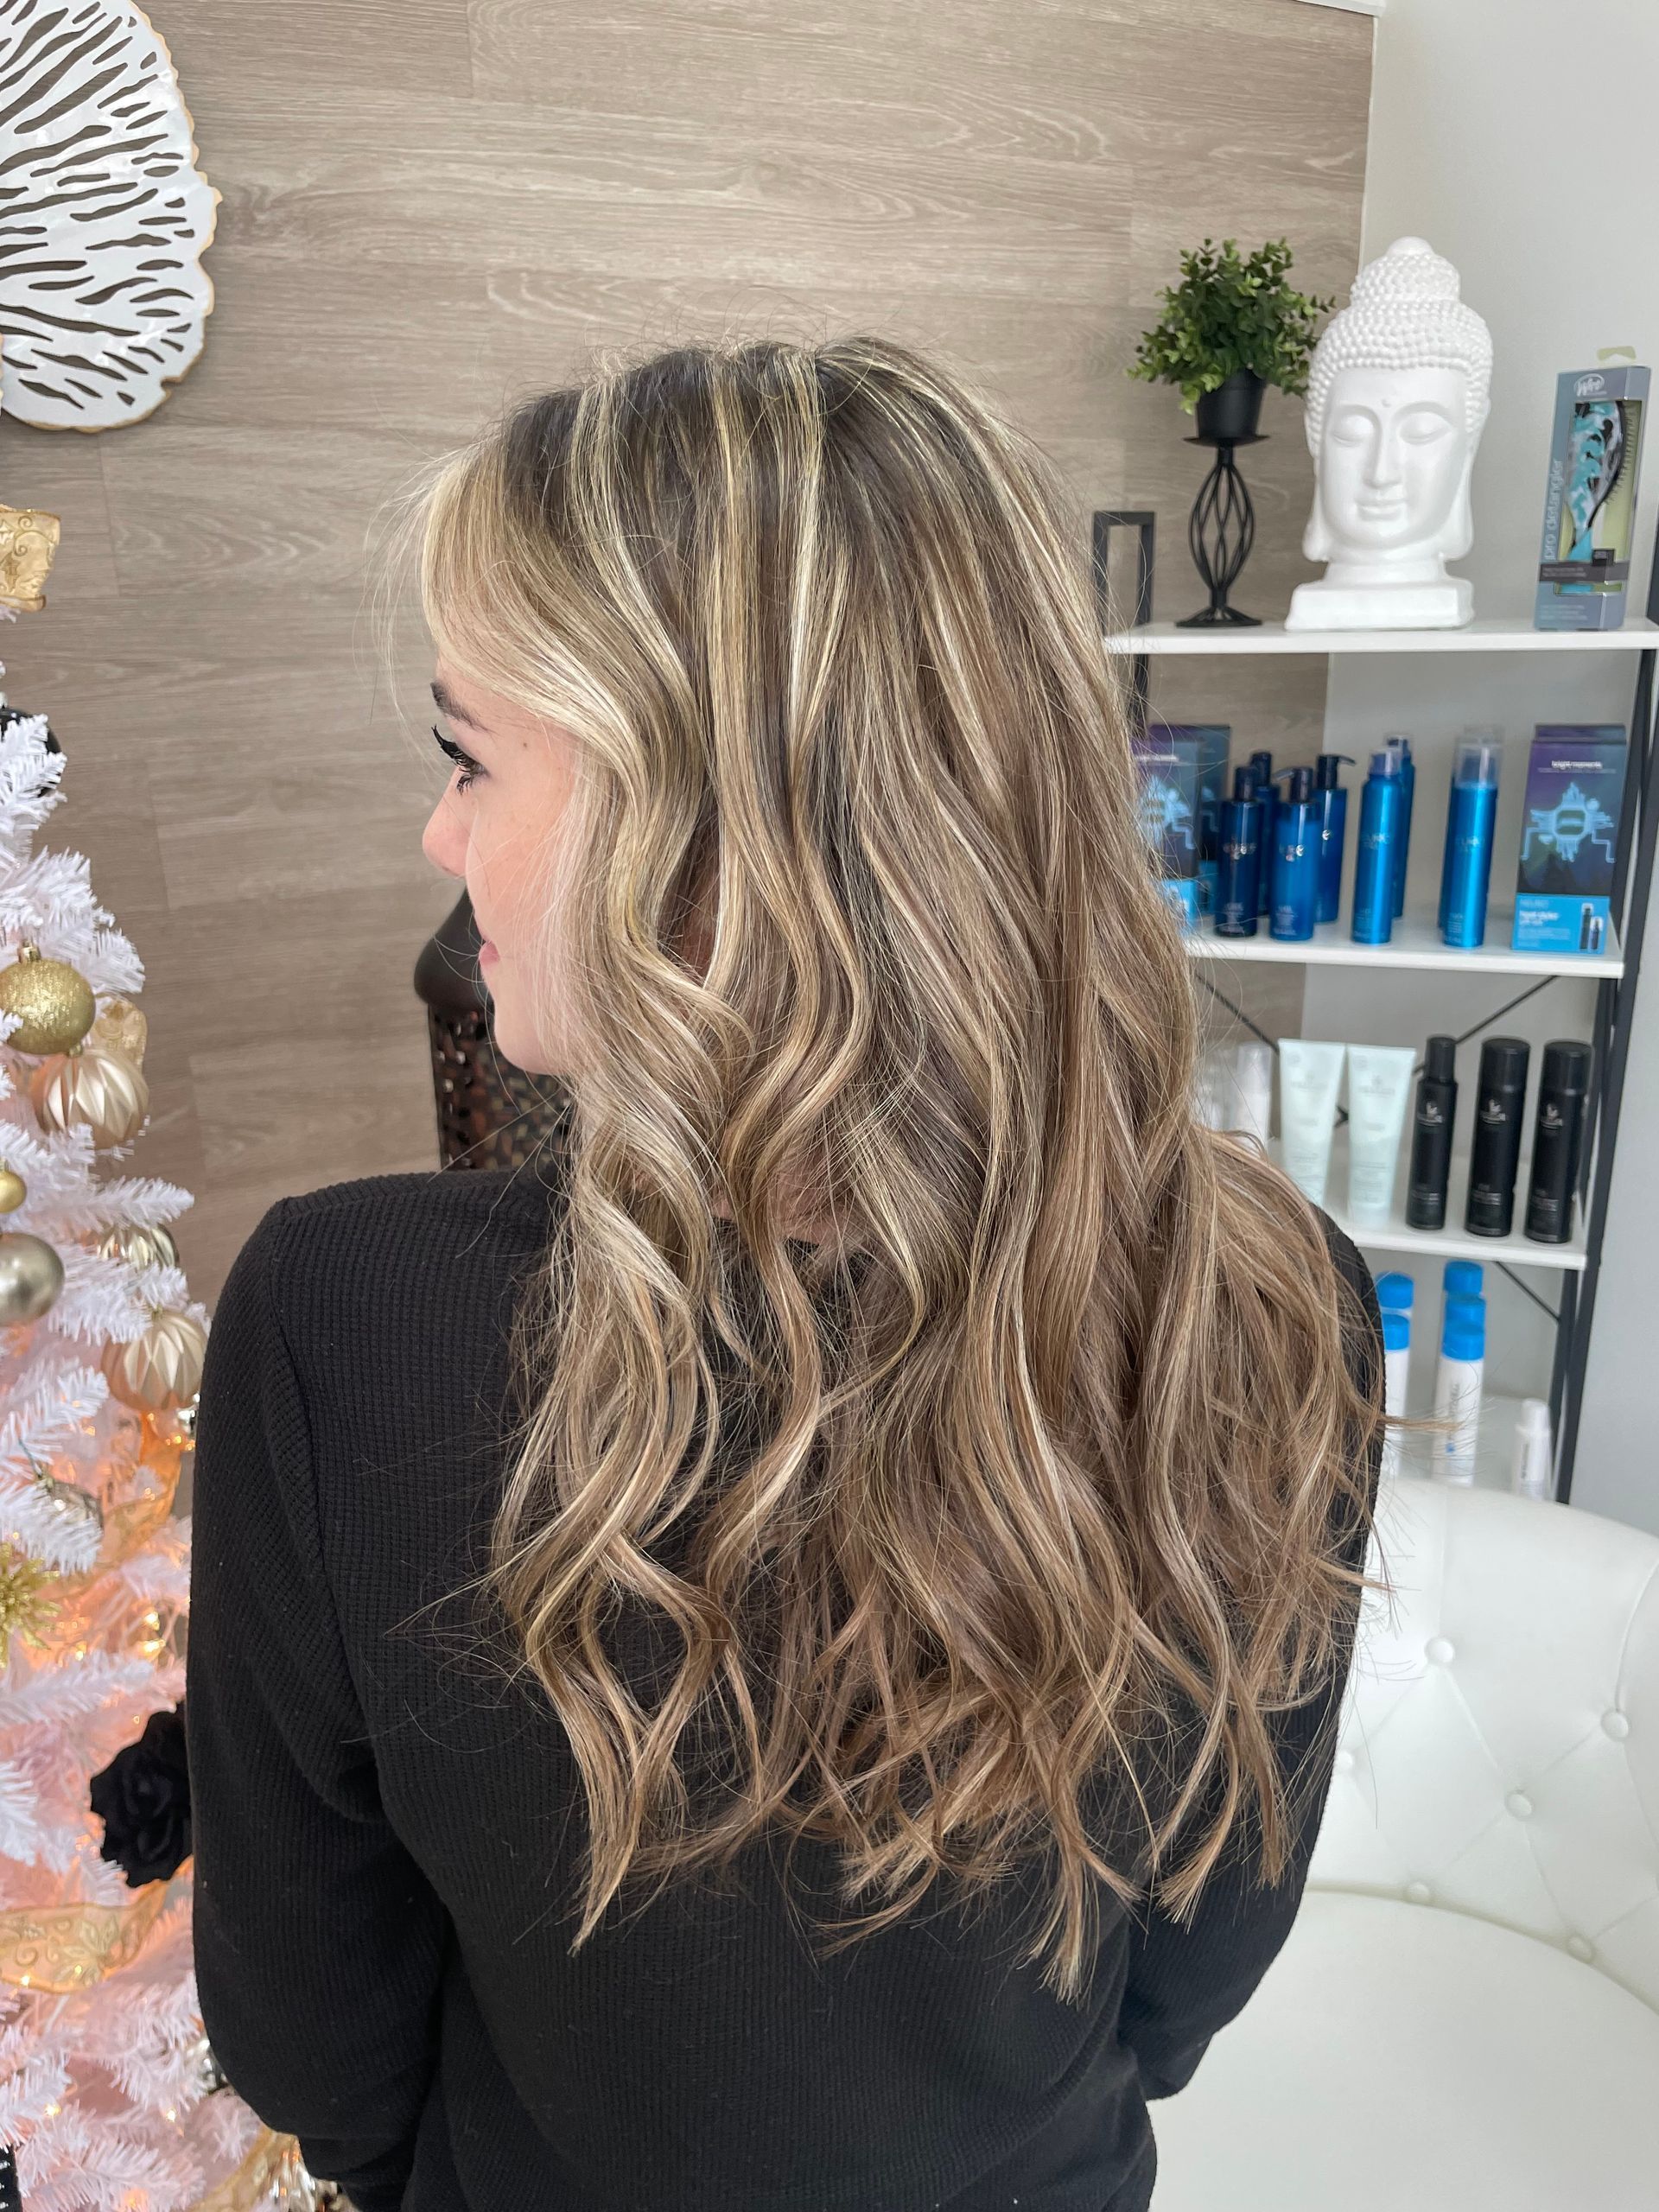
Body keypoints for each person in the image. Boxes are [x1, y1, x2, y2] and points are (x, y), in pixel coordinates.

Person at [186, 334, 1384, 2212]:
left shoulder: (345, 1327)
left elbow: (306, 2026)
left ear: (700, 836)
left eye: (467, 758)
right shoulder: (1277, 1296)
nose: (439, 834)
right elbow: (1195, 1961)